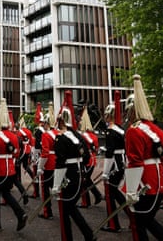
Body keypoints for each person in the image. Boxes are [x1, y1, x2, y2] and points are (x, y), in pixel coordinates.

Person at [124, 75, 163, 240]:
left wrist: (131, 190)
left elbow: (135, 162)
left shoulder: (133, 130)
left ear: (132, 110)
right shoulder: (158, 130)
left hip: (144, 182)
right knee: (147, 221)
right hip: (160, 182)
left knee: (139, 222)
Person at [52, 90, 95, 241]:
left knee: (66, 208)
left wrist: (56, 185)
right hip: (79, 174)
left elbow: (60, 163)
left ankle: (77, 236)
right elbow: (87, 156)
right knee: (70, 208)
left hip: (69, 176)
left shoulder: (60, 138)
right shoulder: (77, 136)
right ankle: (86, 234)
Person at [0, 98, 27, 232]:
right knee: (6, 194)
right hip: (11, 171)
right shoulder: (14, 136)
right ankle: (20, 213)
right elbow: (17, 153)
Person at [100, 90, 129, 232]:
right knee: (115, 192)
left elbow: (110, 153)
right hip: (121, 162)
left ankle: (113, 224)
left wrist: (105, 172)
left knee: (110, 194)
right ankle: (131, 214)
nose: (105, 117)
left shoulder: (111, 131)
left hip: (115, 165)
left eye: (106, 115)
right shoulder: (120, 129)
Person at [78, 106, 103, 208]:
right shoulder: (93, 136)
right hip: (92, 159)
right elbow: (96, 148)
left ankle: (86, 202)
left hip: (87, 160)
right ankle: (97, 195)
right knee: (87, 180)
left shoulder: (84, 135)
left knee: (84, 180)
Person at [37, 102, 58, 219]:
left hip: (49, 164)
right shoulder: (58, 133)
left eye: (44, 123)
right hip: (58, 164)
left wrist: (40, 167)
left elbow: (45, 153)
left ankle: (47, 212)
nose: (43, 125)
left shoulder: (46, 135)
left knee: (45, 189)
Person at [31, 102, 45, 198]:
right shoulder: (46, 131)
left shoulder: (38, 131)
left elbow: (37, 145)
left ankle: (36, 192)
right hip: (45, 154)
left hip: (39, 154)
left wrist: (34, 157)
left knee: (35, 173)